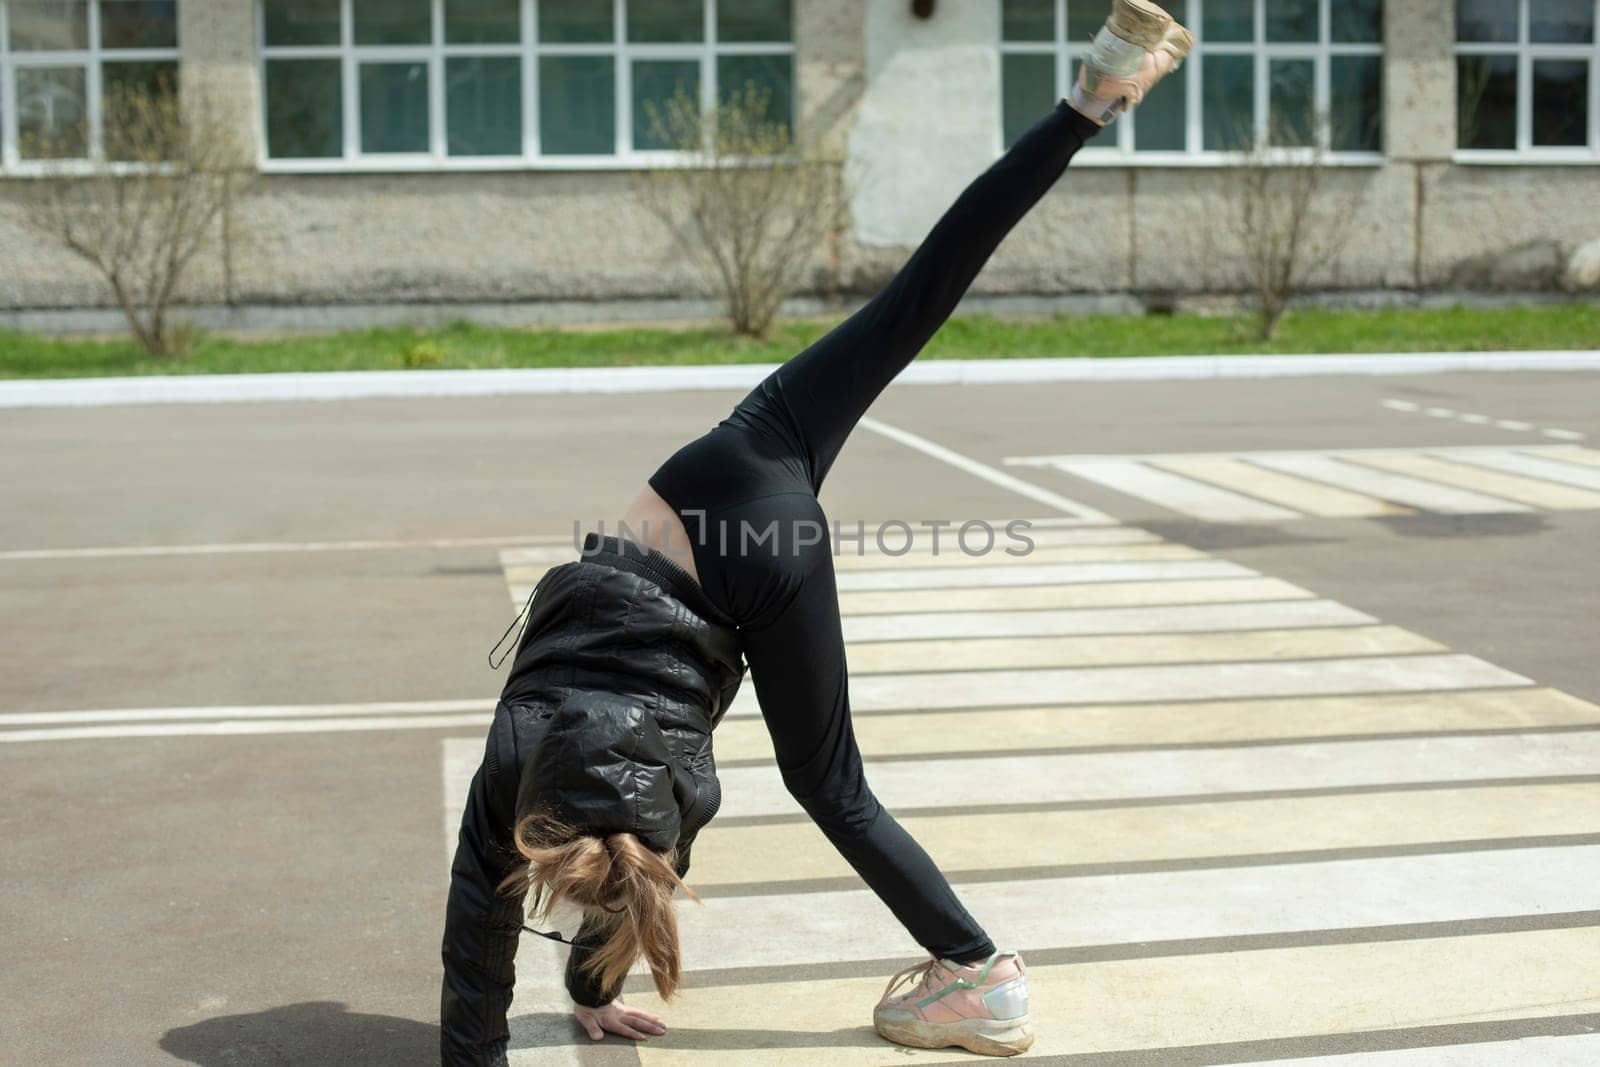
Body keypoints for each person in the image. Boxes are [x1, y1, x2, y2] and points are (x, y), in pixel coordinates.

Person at [439, 3, 1192, 1062]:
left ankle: (979, 974)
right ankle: (1091, 96)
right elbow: (582, 858)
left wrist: (581, 983)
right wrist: (585, 977)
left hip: (752, 563)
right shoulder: (535, 764)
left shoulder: (665, 802)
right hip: (735, 471)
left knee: (829, 780)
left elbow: (589, 874)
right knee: (917, 294)